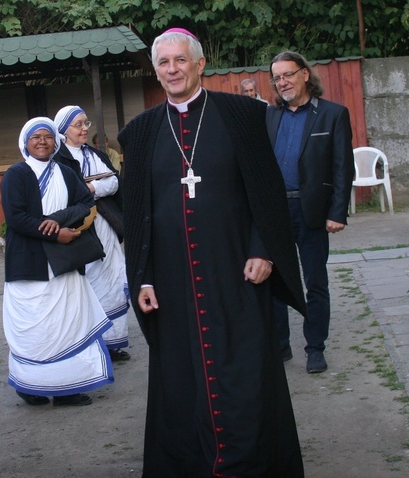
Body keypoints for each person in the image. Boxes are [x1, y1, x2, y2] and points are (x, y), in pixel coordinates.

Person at [117, 28, 307, 476]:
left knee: (246, 375)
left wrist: (264, 249)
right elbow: (138, 212)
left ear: (199, 64)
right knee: (181, 380)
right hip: (172, 282)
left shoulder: (241, 115)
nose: (172, 70)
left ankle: (253, 462)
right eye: (163, 63)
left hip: (237, 274)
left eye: (180, 60)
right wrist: (141, 276)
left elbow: (267, 191)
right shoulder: (140, 132)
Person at [1, 117, 114, 407]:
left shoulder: (65, 172)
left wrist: (58, 221)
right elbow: (16, 218)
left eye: (48, 136)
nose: (42, 141)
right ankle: (32, 387)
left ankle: (68, 388)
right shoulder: (16, 174)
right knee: (37, 330)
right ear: (25, 142)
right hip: (29, 264)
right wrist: (54, 234)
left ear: (56, 141)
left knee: (67, 325)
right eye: (35, 137)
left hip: (65, 262)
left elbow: (85, 204)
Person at [267, 51, 355, 373]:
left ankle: (315, 347)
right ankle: (280, 346)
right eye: (277, 78)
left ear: (305, 74)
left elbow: (343, 168)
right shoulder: (270, 116)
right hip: (276, 211)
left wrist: (338, 213)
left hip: (312, 211)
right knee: (274, 281)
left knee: (315, 282)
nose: (283, 82)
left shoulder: (333, 114)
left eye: (288, 74)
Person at [54, 106, 131, 362]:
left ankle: (113, 342)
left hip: (105, 225)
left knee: (113, 277)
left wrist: (92, 186)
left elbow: (115, 182)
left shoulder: (96, 155)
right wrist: (94, 188)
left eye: (86, 123)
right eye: (78, 124)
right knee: (89, 282)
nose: (85, 128)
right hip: (80, 229)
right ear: (64, 130)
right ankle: (91, 342)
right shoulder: (58, 159)